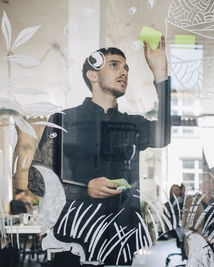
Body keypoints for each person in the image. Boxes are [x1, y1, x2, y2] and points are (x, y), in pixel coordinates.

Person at [28, 37, 170, 266]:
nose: (123, 71)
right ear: (92, 75)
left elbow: (165, 135)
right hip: (73, 241)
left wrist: (161, 76)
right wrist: (85, 189)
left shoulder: (132, 125)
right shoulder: (63, 121)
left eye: (126, 67)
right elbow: (37, 180)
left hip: (118, 240)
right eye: (114, 64)